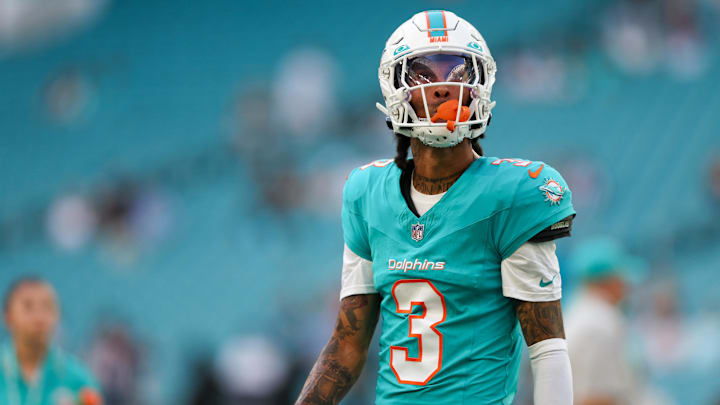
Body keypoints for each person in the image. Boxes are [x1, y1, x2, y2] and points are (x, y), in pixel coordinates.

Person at [295, 10, 575, 405]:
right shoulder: (367, 192)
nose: (443, 87)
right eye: (423, 74)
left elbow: (546, 348)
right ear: (395, 87)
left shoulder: (513, 194)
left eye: (457, 72)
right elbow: (346, 346)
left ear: (480, 85)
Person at [564, 237, 670, 405]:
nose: (627, 286)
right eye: (621, 279)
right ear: (605, 281)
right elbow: (594, 398)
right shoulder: (598, 322)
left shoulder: (582, 315)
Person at [1, 277, 102, 405]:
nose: (39, 317)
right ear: (7, 316)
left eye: (47, 307)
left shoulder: (78, 381)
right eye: (28, 306)